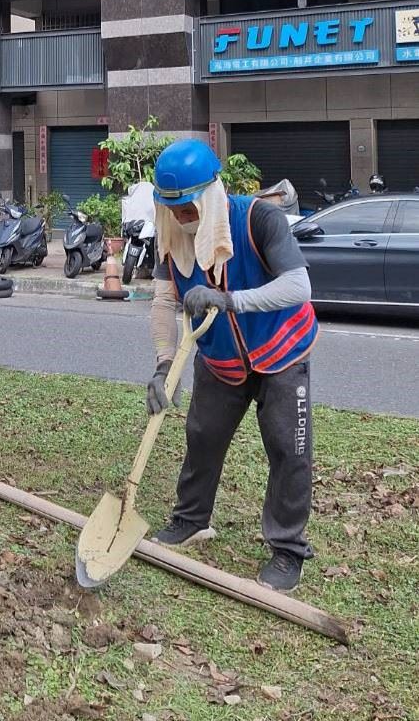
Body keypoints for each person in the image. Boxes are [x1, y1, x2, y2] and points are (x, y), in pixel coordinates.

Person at [145, 139, 318, 593]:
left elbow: (298, 286)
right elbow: (165, 301)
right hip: (220, 359)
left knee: (288, 449)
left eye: (189, 206)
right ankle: (191, 520)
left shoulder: (257, 218)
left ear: (211, 192)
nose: (182, 217)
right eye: (173, 208)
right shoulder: (169, 237)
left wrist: (228, 300)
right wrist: (165, 366)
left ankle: (287, 549)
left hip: (281, 350)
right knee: (201, 436)